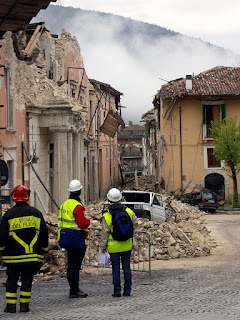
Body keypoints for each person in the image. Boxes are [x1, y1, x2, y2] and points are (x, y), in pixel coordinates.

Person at [0, 185, 48, 313]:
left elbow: (2, 235)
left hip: (13, 257)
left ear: (14, 197)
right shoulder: (36, 214)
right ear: (27, 197)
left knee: (11, 280)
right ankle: (24, 306)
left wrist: (2, 249)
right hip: (31, 256)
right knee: (27, 280)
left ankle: (10, 307)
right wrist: (44, 249)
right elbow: (43, 234)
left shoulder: (8, 215)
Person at [100, 188, 138, 297]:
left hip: (113, 247)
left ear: (108, 199)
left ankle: (117, 291)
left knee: (115, 269)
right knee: (126, 267)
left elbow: (105, 233)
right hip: (126, 244)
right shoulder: (128, 211)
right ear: (120, 198)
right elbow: (135, 223)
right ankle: (127, 290)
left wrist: (103, 246)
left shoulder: (107, 215)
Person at [58, 179, 90, 298]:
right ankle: (74, 290)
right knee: (75, 266)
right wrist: (88, 221)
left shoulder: (64, 205)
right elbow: (81, 223)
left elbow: (61, 223)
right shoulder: (77, 206)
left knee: (71, 266)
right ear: (79, 191)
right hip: (76, 239)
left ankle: (73, 289)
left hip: (66, 239)